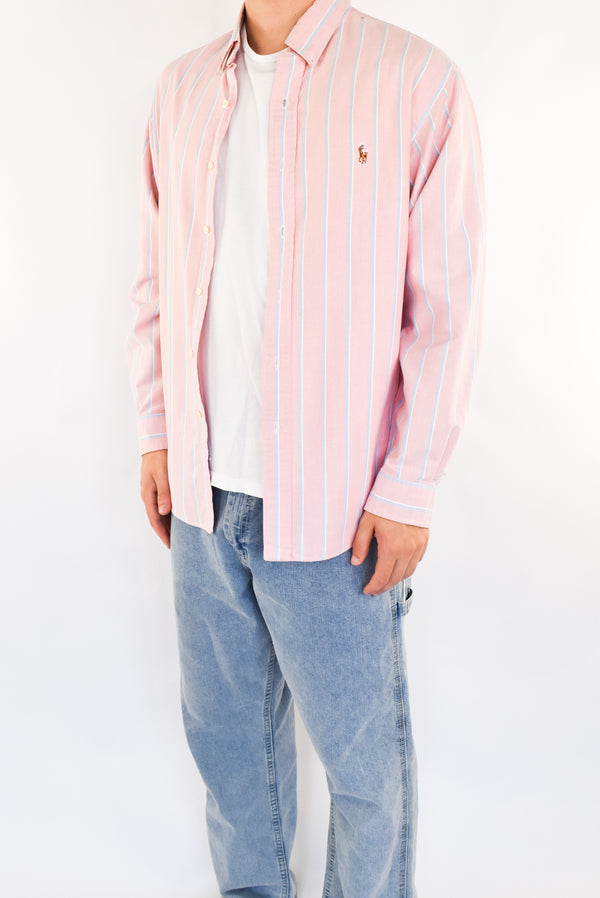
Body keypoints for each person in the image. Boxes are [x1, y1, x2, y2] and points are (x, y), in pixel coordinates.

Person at [125, 0, 486, 895]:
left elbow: (445, 309)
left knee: (366, 780)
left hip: (338, 513)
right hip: (202, 501)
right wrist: (159, 431)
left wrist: (409, 486)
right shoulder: (180, 90)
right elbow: (156, 280)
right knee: (230, 761)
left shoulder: (415, 80)